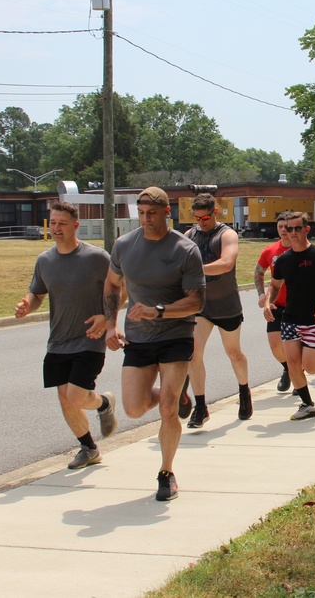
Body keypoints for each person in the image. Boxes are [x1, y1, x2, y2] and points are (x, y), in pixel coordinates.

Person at [104, 186, 206, 502]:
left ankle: (166, 473)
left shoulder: (185, 250)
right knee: (134, 408)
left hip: (175, 335)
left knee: (167, 410)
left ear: (166, 213)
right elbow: (111, 283)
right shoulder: (123, 246)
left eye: (152, 213)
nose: (146, 219)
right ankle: (175, 398)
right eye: (142, 213)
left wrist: (159, 310)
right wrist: (110, 323)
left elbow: (197, 302)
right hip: (138, 337)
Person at [15, 201, 118, 470]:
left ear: (75, 226)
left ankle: (104, 402)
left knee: (75, 395)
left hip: (89, 338)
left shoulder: (97, 258)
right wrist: (27, 304)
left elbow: (120, 287)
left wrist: (107, 318)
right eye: (53, 223)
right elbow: (37, 294)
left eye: (62, 223)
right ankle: (89, 447)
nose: (56, 228)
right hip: (58, 340)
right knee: (65, 398)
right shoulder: (45, 260)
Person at [266, 211, 315, 420]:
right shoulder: (283, 260)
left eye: (297, 228)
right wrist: (268, 302)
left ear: (306, 229)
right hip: (290, 318)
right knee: (293, 363)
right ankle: (307, 404)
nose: (291, 232)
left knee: (310, 367)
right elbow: (274, 286)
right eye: (288, 228)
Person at [184, 193, 251, 428]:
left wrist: (195, 271)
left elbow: (226, 263)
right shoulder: (190, 235)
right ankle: (200, 407)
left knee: (234, 353)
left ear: (215, 212)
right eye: (197, 217)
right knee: (193, 354)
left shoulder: (227, 234)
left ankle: (244, 392)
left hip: (226, 305)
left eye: (204, 217)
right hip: (201, 307)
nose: (201, 222)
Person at [255, 212, 292, 391]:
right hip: (276, 304)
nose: (284, 230)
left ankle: (297, 372)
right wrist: (261, 294)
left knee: (295, 344)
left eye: (287, 226)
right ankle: (288, 369)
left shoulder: (301, 248)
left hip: (298, 305)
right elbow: (259, 272)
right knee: (276, 344)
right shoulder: (270, 251)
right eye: (280, 227)